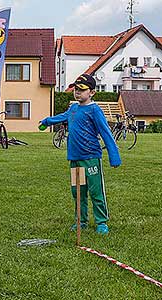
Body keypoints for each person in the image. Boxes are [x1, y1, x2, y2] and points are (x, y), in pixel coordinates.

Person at [40, 74, 121, 235]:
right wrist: (47, 121)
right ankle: (81, 221)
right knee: (78, 192)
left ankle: (101, 222)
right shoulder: (73, 108)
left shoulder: (94, 110)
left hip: (90, 158)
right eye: (76, 89)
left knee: (95, 191)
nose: (77, 93)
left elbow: (105, 133)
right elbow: (63, 117)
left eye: (81, 90)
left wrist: (114, 154)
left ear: (92, 93)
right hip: (74, 158)